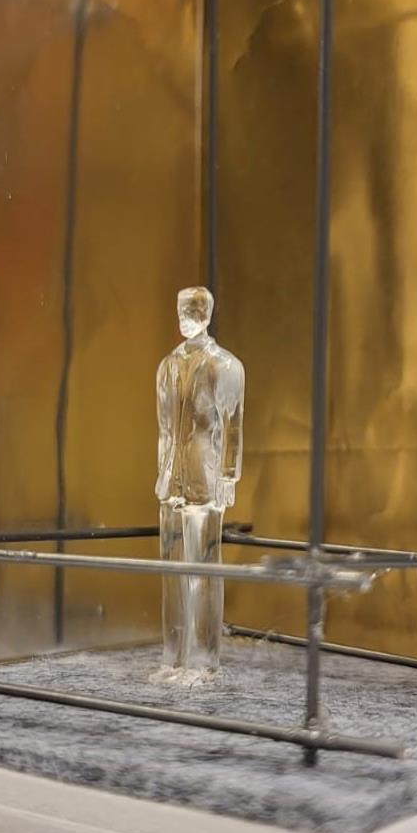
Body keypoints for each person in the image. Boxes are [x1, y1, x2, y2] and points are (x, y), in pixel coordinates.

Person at [155, 286, 245, 680]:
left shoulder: (226, 365)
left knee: (203, 570)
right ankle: (173, 657)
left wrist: (228, 474)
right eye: (181, 310)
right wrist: (162, 472)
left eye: (191, 311)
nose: (185, 318)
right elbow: (163, 428)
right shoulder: (167, 366)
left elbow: (233, 423)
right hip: (171, 481)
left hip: (205, 479)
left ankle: (202, 661)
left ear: (206, 314)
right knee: (172, 571)